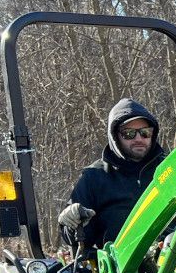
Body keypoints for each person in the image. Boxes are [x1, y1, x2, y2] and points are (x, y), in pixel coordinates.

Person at [59, 98, 166, 247]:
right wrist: (71, 223)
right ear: (115, 136)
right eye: (129, 134)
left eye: (145, 132)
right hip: (119, 266)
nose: (139, 139)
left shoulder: (169, 169)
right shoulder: (94, 177)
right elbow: (78, 241)